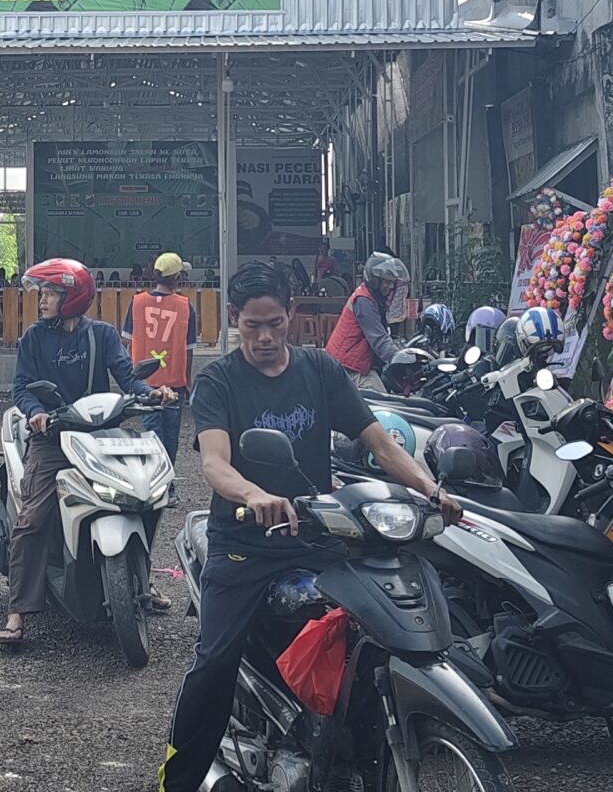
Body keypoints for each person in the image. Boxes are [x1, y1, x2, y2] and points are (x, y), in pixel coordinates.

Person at [157, 261, 462, 792]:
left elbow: (381, 443)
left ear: (291, 315)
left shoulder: (320, 371)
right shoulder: (218, 381)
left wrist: (432, 490)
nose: (266, 337)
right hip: (243, 546)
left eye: (275, 322)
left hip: (317, 536)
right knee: (214, 662)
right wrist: (255, 496)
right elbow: (214, 463)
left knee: (372, 633)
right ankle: (177, 777)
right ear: (234, 319)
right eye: (253, 326)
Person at [0, 257, 176, 647]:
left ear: (72, 298)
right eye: (42, 293)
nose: (42, 300)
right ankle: (17, 608)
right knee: (32, 519)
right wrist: (37, 414)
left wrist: (153, 393)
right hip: (53, 440)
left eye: (50, 293)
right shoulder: (34, 338)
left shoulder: (102, 335)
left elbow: (127, 377)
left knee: (145, 494)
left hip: (100, 432)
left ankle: (141, 580)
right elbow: (22, 388)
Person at [125, 253, 197, 457]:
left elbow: (127, 339)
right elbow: (189, 348)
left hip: (145, 382)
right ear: (177, 278)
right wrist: (187, 380)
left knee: (151, 433)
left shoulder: (137, 302)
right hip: (174, 381)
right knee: (171, 435)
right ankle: (169, 482)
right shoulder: (185, 306)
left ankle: (156, 481)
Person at [324, 251, 410, 392]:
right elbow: (379, 340)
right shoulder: (364, 301)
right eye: (387, 281)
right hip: (347, 368)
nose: (390, 287)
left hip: (356, 363)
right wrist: (401, 359)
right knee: (385, 405)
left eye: (392, 283)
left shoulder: (373, 299)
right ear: (375, 280)